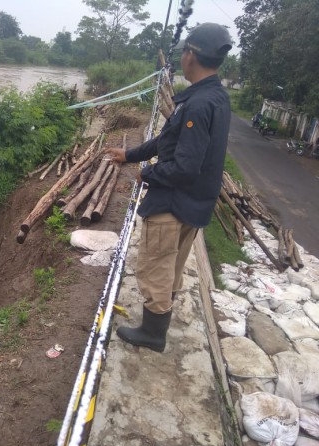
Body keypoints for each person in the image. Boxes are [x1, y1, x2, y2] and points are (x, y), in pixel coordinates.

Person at [105, 23, 232, 353]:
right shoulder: (216, 96)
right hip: (195, 204)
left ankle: (152, 333)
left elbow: (185, 166)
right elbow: (168, 141)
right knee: (171, 267)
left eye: (184, 53)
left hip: (173, 204)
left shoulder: (197, 105)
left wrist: (147, 174)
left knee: (154, 268)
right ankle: (158, 322)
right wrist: (130, 155)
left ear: (190, 56)